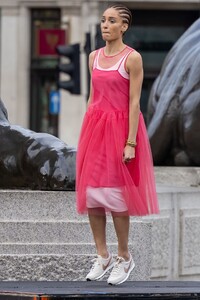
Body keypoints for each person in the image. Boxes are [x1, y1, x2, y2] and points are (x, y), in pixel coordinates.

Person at [76, 4, 159, 285]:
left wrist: (131, 142)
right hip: (95, 130)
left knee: (115, 197)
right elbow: (92, 97)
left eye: (112, 21)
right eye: (103, 20)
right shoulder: (93, 57)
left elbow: (135, 102)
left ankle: (124, 256)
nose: (105, 25)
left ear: (124, 26)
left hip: (122, 130)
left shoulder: (132, 58)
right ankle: (103, 255)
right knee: (92, 196)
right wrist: (86, 131)